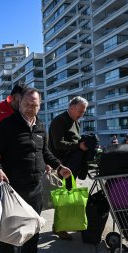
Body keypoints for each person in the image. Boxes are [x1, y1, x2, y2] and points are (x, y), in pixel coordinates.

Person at [0, 88, 72, 253]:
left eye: (35, 105)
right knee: (10, 233)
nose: (31, 108)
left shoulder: (40, 126)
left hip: (35, 187)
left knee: (33, 226)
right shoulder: (8, 125)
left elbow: (45, 153)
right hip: (13, 189)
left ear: (40, 105)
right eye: (27, 104)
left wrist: (58, 167)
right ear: (19, 103)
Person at [48, 96, 89, 241]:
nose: (81, 114)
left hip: (71, 166)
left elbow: (74, 141)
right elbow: (58, 144)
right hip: (62, 166)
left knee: (67, 196)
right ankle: (60, 227)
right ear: (71, 107)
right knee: (64, 197)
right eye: (80, 111)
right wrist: (78, 146)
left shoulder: (74, 121)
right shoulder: (60, 121)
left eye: (83, 112)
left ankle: (61, 225)